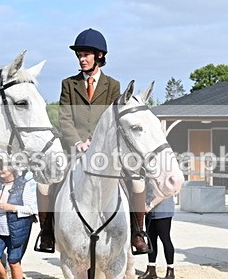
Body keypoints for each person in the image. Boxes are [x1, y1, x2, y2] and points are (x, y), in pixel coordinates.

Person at [35, 28, 150, 254]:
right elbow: (65, 117)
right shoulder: (69, 84)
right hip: (74, 149)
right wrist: (77, 142)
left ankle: (138, 233)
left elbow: (113, 117)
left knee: (137, 182)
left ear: (99, 55)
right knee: (43, 183)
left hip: (104, 149)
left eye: (86, 55)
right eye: (79, 55)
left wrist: (97, 141)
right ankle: (46, 233)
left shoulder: (113, 85)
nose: (82, 59)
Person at [137, 180, 176, 279]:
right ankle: (151, 269)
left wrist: (150, 205)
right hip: (150, 212)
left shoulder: (164, 175)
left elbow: (162, 194)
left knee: (165, 239)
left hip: (163, 211)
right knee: (151, 241)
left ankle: (170, 270)